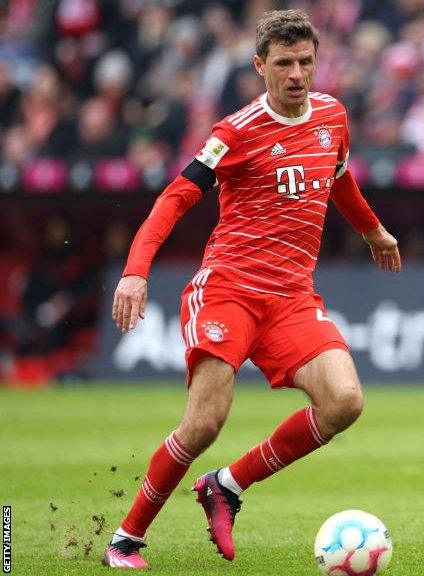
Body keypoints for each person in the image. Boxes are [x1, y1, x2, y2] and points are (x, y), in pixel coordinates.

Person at [102, 10, 401, 569]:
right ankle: (126, 538)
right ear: (259, 66)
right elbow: (174, 198)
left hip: (291, 297)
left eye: (306, 62)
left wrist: (372, 230)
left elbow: (338, 176)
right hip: (229, 290)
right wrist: (136, 270)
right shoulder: (235, 132)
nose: (296, 74)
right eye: (283, 63)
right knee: (204, 423)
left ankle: (228, 485)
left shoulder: (333, 116)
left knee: (345, 402)